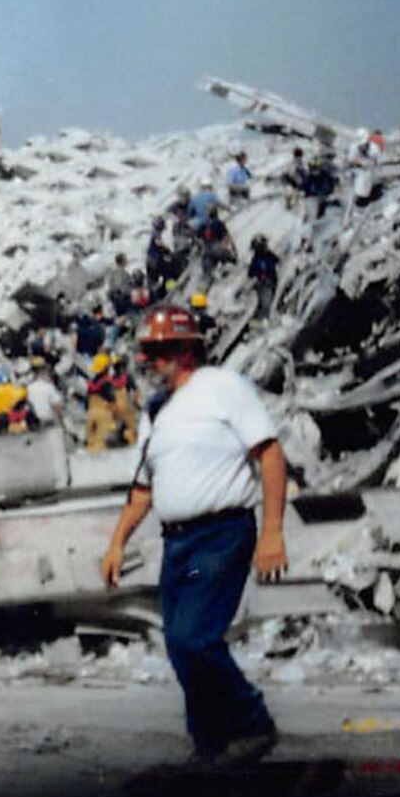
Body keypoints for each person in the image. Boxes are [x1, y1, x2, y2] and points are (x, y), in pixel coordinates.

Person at [100, 305, 287, 765]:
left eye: (162, 349)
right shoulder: (156, 411)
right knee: (179, 646)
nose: (152, 359)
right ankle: (210, 746)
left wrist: (273, 532)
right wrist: (117, 541)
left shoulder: (223, 387)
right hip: (177, 540)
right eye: (149, 350)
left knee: (194, 639)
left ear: (188, 348)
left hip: (222, 531)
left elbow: (270, 455)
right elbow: (143, 488)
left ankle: (253, 723)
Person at [84, 353, 117, 452]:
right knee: (100, 445)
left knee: (91, 443)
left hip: (90, 414)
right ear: (106, 368)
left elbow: (87, 402)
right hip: (103, 414)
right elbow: (112, 400)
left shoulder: (91, 383)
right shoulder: (106, 382)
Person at [247, 236, 280, 323]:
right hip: (264, 285)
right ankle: (261, 321)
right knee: (266, 304)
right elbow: (251, 274)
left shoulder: (268, 255)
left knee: (269, 302)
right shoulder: (257, 260)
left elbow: (278, 260)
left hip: (271, 282)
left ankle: (263, 319)